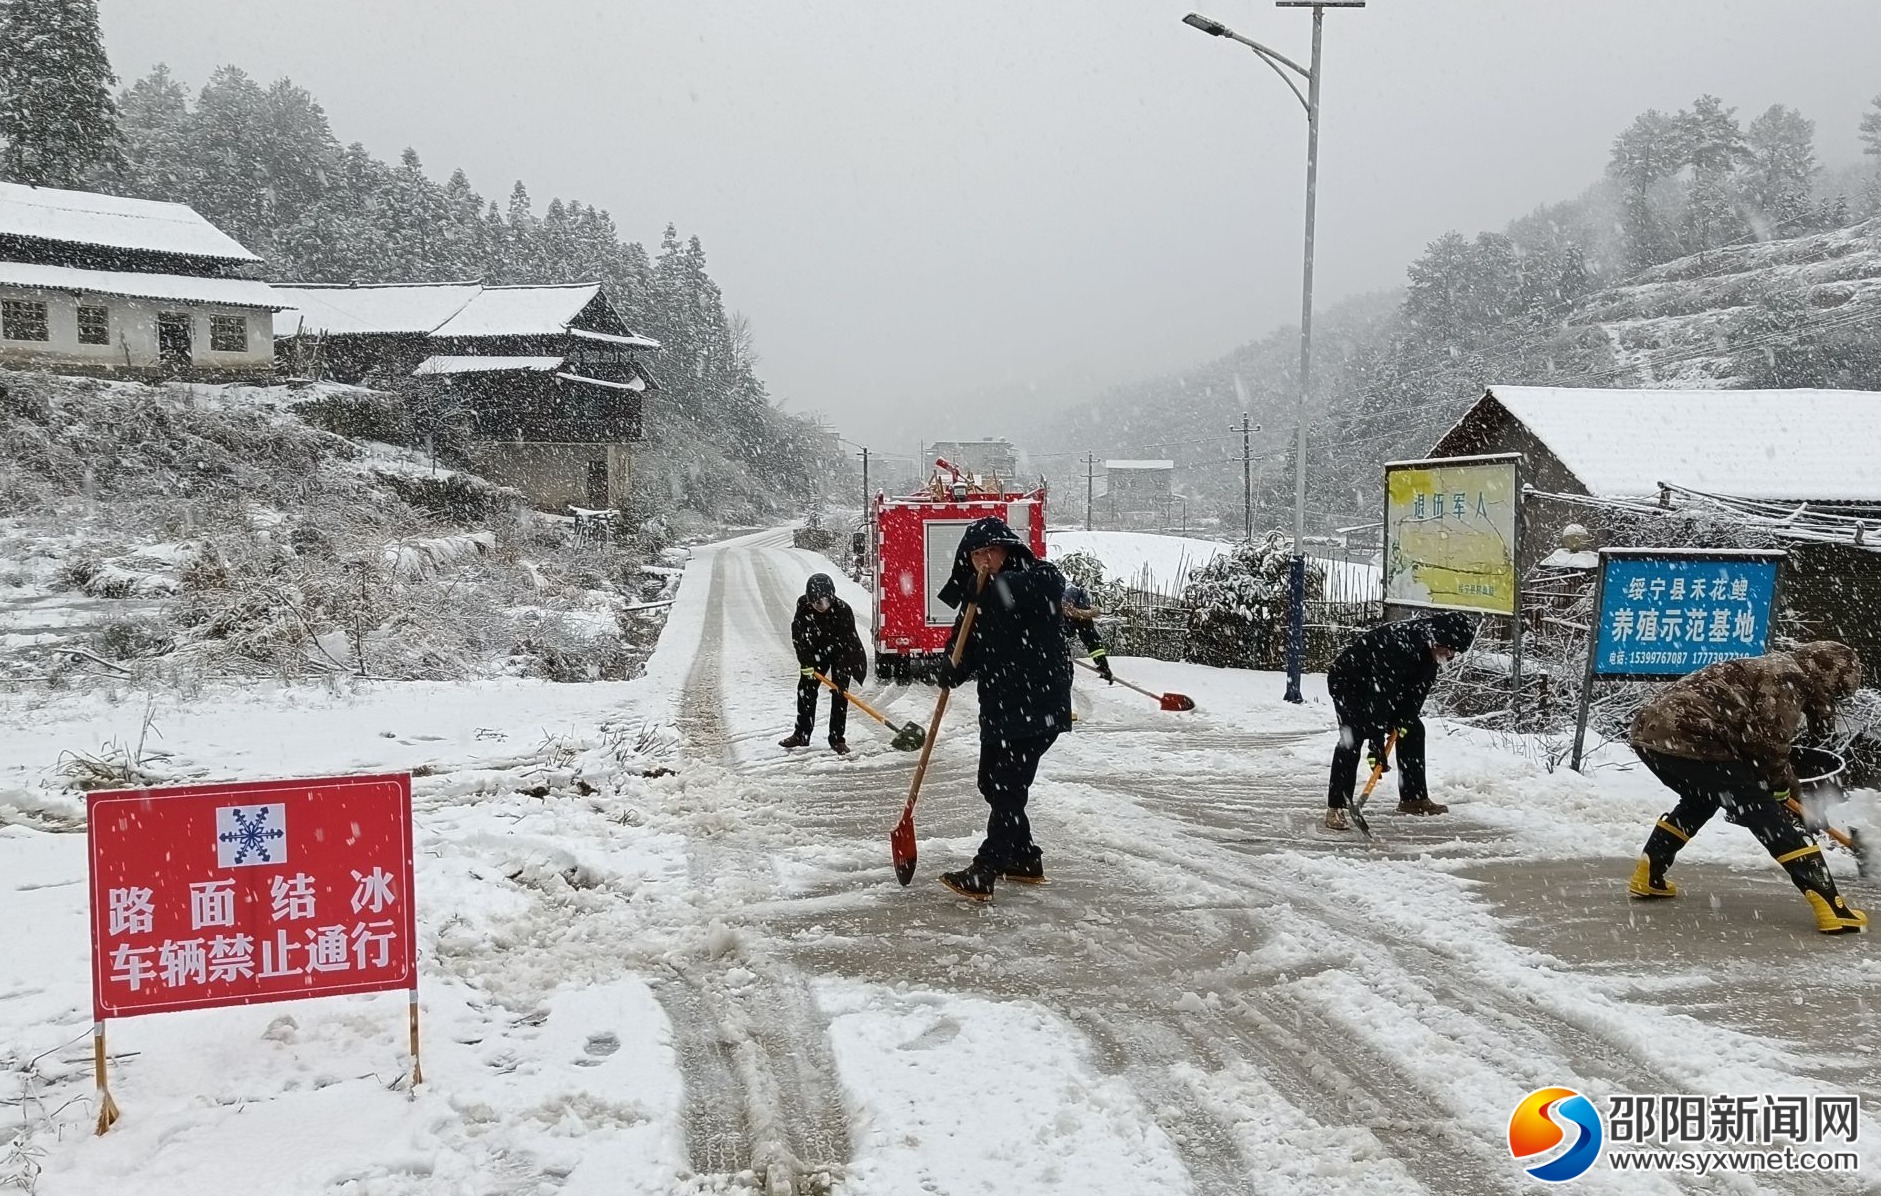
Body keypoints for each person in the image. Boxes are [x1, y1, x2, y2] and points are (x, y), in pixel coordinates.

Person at [1628, 640, 1866, 935]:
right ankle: (1832, 907)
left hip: (1652, 736)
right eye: (1835, 692)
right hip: (1692, 737)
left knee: (1699, 800)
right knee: (1766, 816)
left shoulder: (1776, 666)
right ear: (1828, 678)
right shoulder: (1788, 677)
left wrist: (1777, 785)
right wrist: (1783, 789)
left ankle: (1649, 874)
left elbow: (1750, 737)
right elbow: (1768, 742)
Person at [933, 517, 1073, 900]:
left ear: (1008, 549)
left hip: (1038, 705)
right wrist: (951, 668)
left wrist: (989, 590)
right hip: (999, 706)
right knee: (990, 782)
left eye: (990, 551)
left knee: (1009, 786)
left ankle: (987, 868)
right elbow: (964, 645)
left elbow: (1045, 587)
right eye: (976, 553)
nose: (983, 560)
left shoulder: (1037, 576)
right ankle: (1024, 857)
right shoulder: (978, 597)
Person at [1324, 611, 1476, 830]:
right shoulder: (1399, 644)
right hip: (1350, 682)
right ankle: (1336, 806)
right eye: (1449, 648)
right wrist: (1376, 746)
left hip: (1383, 686)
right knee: (1353, 737)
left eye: (1455, 652)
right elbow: (1380, 696)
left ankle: (1413, 799)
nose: (1450, 654)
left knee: (1412, 729)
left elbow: (1416, 694)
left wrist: (1404, 720)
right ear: (1438, 637)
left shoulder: (1430, 653)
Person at [780, 572, 867, 755]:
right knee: (805, 690)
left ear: (832, 597)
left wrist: (843, 675)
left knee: (840, 694)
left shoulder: (843, 610)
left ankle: (837, 739)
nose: (821, 606)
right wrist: (805, 662)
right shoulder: (803, 606)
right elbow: (799, 636)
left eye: (825, 602)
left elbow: (849, 645)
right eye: (816, 602)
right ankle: (801, 734)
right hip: (815, 652)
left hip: (841, 652)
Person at [1061, 582, 1114, 683]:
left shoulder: (1081, 613)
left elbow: (1091, 638)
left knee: (1064, 676)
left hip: (1055, 650)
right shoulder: (1054, 608)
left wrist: (1102, 664)